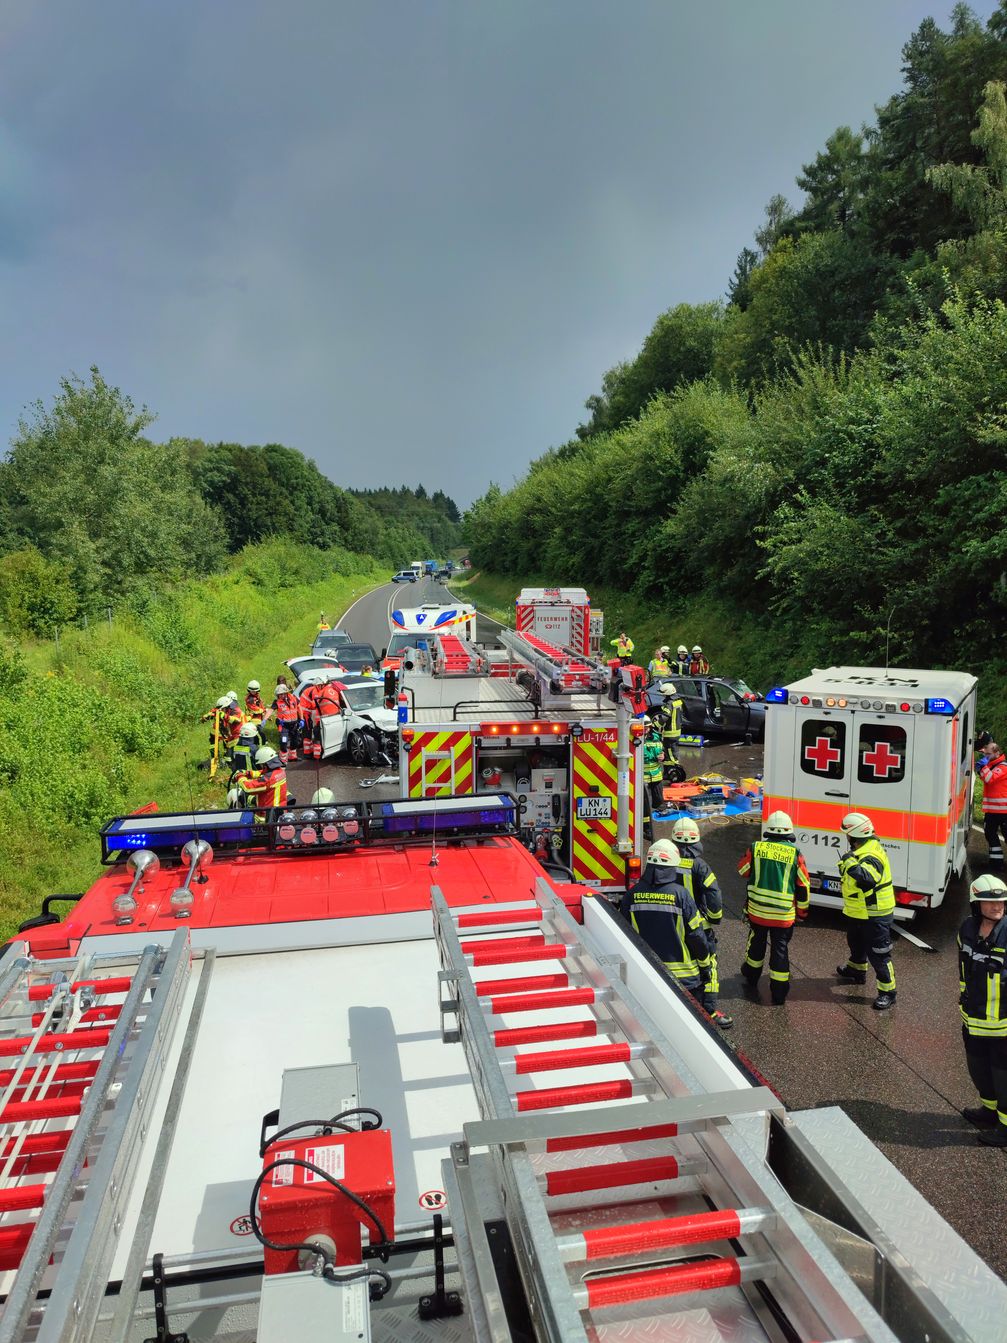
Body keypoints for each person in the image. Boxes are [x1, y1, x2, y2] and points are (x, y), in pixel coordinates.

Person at [620, 839, 714, 1014]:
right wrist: (705, 966)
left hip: (646, 974)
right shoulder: (681, 895)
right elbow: (696, 936)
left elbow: (623, 933)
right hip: (684, 978)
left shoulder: (631, 895)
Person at [737, 810, 810, 1004]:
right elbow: (803, 885)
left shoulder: (756, 848)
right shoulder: (795, 854)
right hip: (783, 916)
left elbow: (742, 871)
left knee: (756, 943)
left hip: (757, 911)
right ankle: (778, 993)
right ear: (789, 832)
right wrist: (802, 912)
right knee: (780, 950)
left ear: (769, 830)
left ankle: (751, 976)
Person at [959, 874, 1007, 1145]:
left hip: (1003, 1024)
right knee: (978, 1070)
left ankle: (1006, 1127)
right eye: (989, 902)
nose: (997, 906)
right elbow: (962, 966)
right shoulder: (966, 929)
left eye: (1001, 901)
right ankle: (989, 1111)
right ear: (976, 904)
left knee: (1004, 1078)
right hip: (974, 1020)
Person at [671, 818, 730, 1027]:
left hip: (672, 923)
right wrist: (714, 918)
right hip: (699, 926)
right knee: (708, 966)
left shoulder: (667, 861)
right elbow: (713, 893)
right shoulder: (700, 866)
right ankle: (709, 1010)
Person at [835, 812, 897, 1011]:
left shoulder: (871, 854)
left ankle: (888, 992)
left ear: (854, 835)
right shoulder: (863, 848)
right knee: (856, 942)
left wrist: (849, 862)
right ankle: (857, 970)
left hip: (875, 912)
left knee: (879, 954)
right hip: (860, 910)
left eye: (847, 834)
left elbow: (867, 878)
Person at [978, 740, 1007, 865]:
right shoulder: (992, 765)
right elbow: (984, 777)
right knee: (990, 835)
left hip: (1004, 810)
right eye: (985, 754)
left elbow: (989, 778)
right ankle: (997, 862)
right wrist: (982, 768)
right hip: (992, 810)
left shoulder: (1003, 766)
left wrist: (983, 767)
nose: (986, 757)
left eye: (988, 754)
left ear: (997, 752)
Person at [265, 683, 303, 764]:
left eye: (282, 694)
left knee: (295, 741)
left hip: (294, 725)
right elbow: (270, 711)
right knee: (284, 742)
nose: (281, 696)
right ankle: (282, 760)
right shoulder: (277, 702)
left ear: (286, 692)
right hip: (284, 727)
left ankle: (292, 757)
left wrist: (302, 719)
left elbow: (299, 708)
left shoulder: (294, 699)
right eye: (279, 694)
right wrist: (264, 720)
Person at [655, 681, 684, 781]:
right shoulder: (678, 701)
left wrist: (656, 724)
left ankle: (674, 771)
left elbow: (665, 717)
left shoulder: (669, 703)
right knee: (670, 752)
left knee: (670, 754)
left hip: (670, 732)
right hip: (677, 731)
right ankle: (667, 773)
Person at [642, 719, 666, 837]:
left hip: (656, 775)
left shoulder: (656, 737)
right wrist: (652, 756)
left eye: (648, 727)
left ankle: (660, 816)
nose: (645, 729)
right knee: (645, 805)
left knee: (659, 801)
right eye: (643, 727)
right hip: (643, 777)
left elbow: (662, 751)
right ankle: (646, 829)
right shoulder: (635, 738)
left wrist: (663, 756)